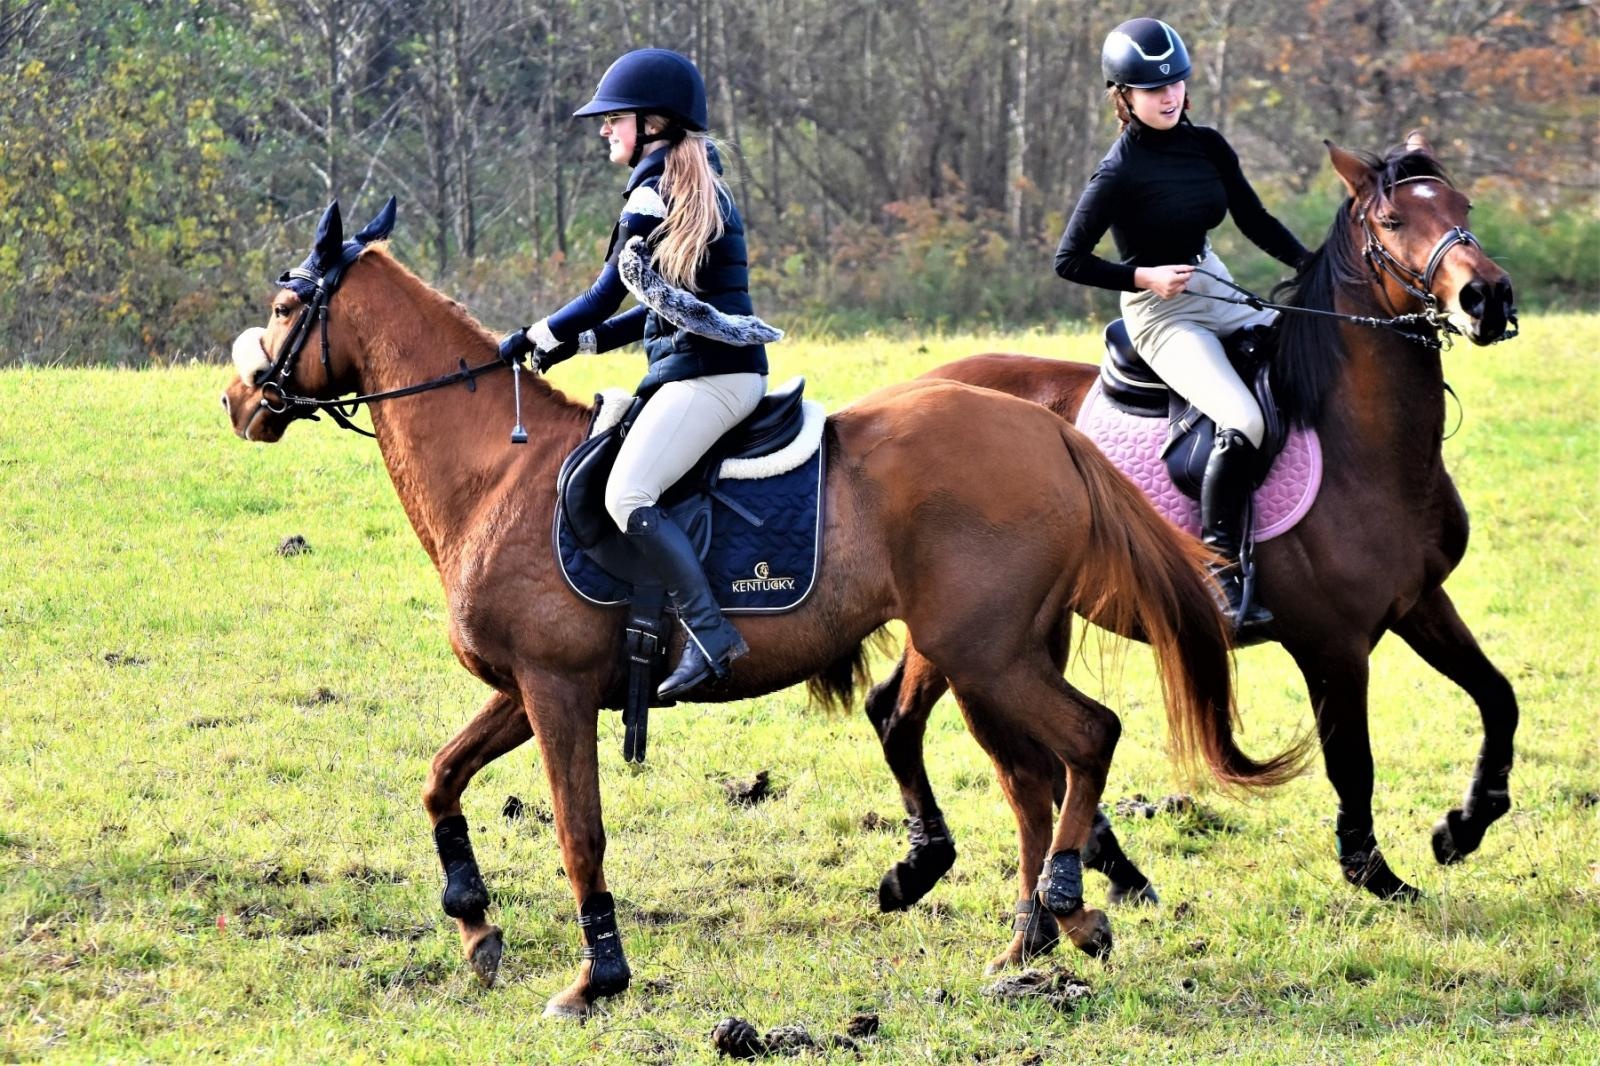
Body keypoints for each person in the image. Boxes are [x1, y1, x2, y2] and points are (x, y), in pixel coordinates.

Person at [500, 48, 774, 699]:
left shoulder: (661, 189)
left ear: (654, 122)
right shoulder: (683, 183)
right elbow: (655, 311)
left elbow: (605, 294)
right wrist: (579, 344)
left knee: (628, 495)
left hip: (713, 378)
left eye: (614, 118)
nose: (604, 129)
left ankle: (710, 634)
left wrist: (535, 334)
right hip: (701, 370)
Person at [1054, 17, 1309, 631]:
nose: (1167, 97)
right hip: (1161, 311)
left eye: (1175, 84)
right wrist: (1143, 278)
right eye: (1151, 89)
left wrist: (1315, 267)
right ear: (1124, 96)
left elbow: (1254, 219)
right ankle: (1222, 568)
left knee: (1308, 351)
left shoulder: (1209, 146)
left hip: (1211, 278)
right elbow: (1068, 261)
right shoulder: (1117, 172)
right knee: (1243, 418)